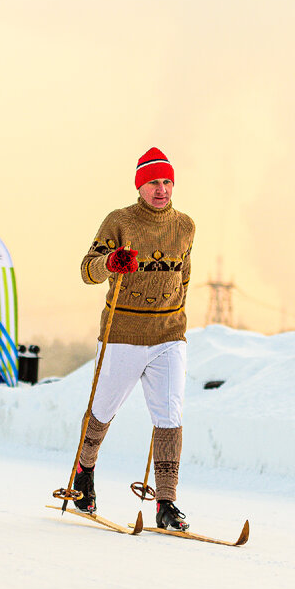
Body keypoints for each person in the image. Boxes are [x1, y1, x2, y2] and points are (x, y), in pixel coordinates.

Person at [72, 147, 196, 531]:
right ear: (139, 186)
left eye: (167, 181)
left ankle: (166, 502)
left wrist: (175, 318)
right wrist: (109, 263)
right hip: (123, 334)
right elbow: (87, 270)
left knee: (170, 415)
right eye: (153, 182)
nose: (161, 189)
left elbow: (184, 277)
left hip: (169, 335)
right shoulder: (119, 222)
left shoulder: (186, 226)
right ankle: (84, 475)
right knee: (102, 410)